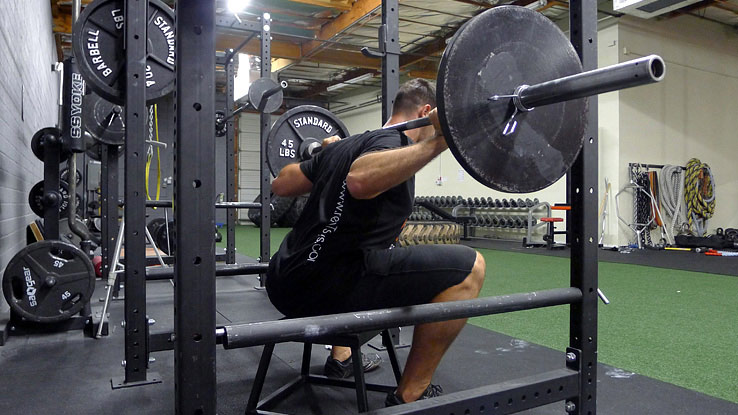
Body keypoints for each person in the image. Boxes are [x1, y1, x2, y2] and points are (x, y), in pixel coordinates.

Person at [266, 78, 486, 406]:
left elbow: (280, 183)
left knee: (363, 250)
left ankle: (340, 358)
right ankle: (410, 394)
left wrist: (324, 157)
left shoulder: (344, 146)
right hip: (324, 290)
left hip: (283, 283)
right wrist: (440, 140)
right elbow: (358, 181)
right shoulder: (392, 143)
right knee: (470, 268)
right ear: (427, 112)